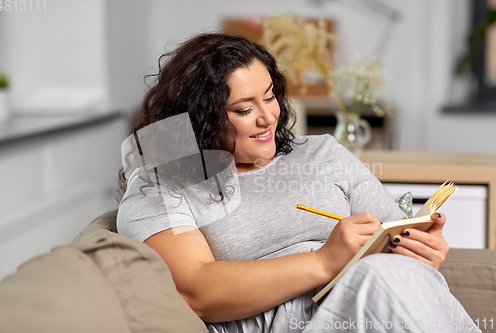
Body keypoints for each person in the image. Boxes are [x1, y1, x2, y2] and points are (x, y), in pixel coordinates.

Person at [117, 33, 480, 332]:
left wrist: (421, 252)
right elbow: (196, 291)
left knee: (394, 275)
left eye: (270, 96)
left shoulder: (323, 152)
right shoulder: (161, 188)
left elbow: (392, 237)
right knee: (379, 276)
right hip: (296, 321)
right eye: (244, 110)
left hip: (378, 306)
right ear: (198, 118)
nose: (267, 117)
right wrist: (325, 261)